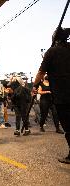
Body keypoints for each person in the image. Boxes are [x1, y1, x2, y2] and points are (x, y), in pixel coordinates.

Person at [33, 27, 70, 164]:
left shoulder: (51, 52)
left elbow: (41, 73)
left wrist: (35, 86)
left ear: (54, 38)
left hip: (62, 96)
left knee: (68, 126)